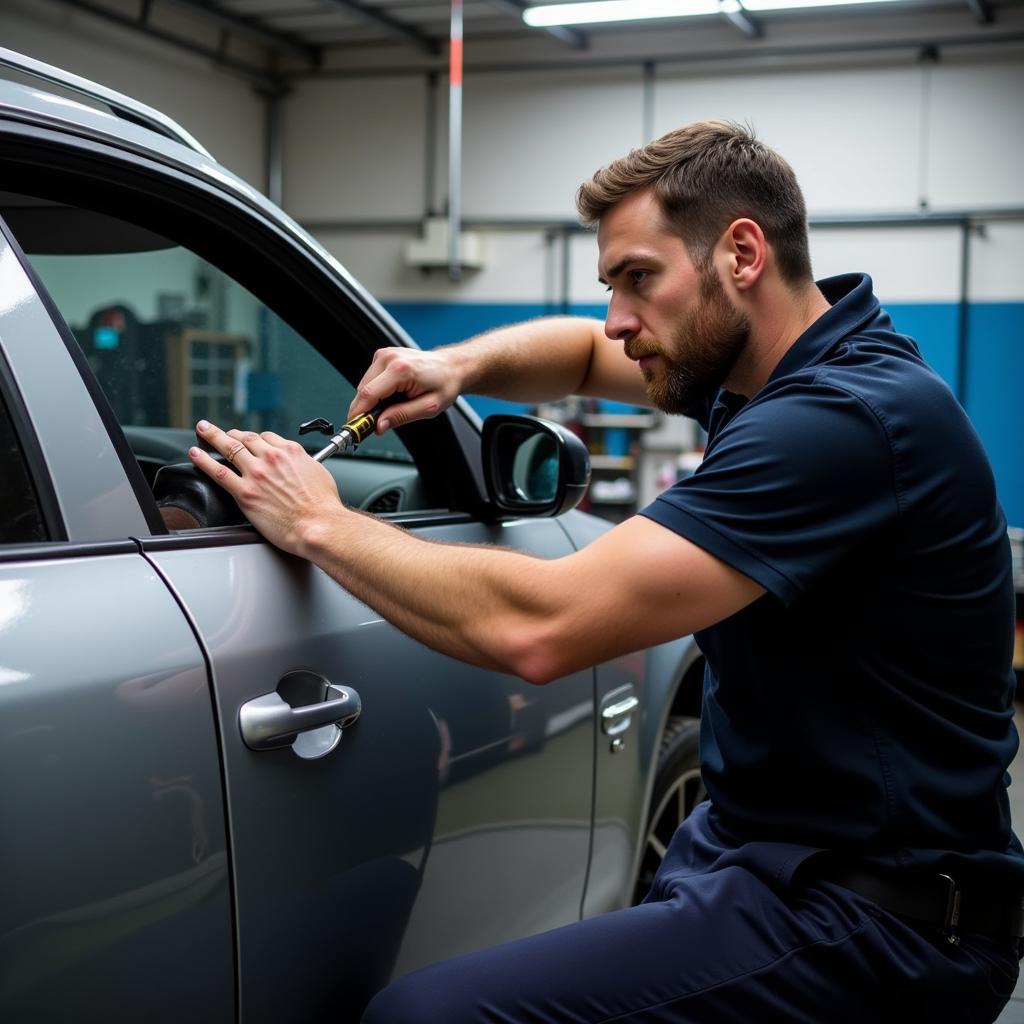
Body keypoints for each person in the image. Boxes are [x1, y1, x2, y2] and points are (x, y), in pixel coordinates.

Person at [190, 121, 1023, 1022]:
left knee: (424, 1018)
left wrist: (320, 523)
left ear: (741, 252)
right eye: (611, 286)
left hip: (874, 921)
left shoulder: (839, 419)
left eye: (638, 279)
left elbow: (540, 627)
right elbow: (586, 354)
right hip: (761, 857)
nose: (620, 319)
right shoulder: (773, 366)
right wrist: (454, 365)